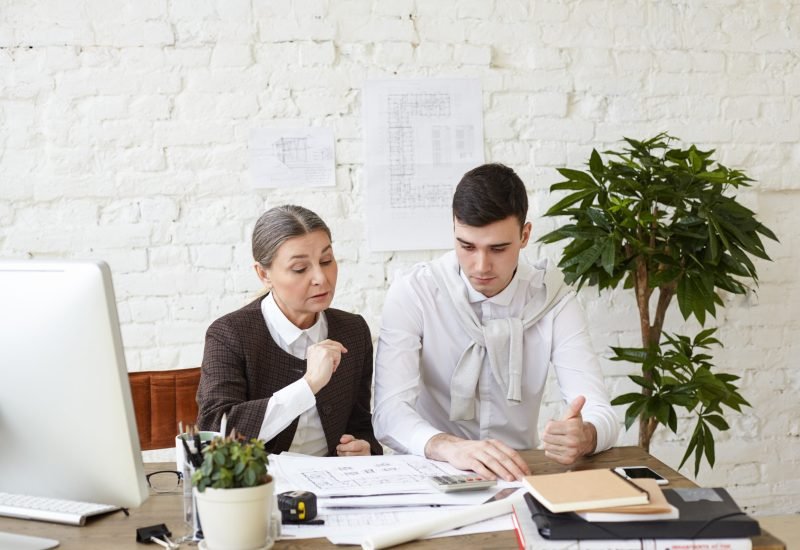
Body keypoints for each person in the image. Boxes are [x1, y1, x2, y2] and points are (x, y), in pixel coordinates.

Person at [373, 163, 618, 480]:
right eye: (467, 246)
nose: (481, 265)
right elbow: (388, 414)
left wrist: (586, 435)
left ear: (525, 235)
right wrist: (451, 447)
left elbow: (602, 413)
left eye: (498, 248)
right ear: (454, 230)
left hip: (517, 473)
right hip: (431, 469)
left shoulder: (554, 298)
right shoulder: (415, 292)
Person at [197, 205, 382, 456]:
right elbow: (216, 430)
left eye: (326, 261)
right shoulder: (230, 335)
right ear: (264, 274)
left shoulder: (353, 331)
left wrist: (364, 448)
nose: (320, 277)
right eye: (300, 269)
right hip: (262, 488)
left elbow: (360, 424)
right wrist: (309, 384)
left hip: (334, 486)